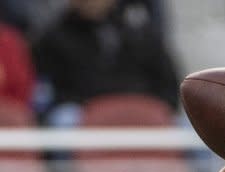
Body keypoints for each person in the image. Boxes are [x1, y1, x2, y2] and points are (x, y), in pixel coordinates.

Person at [31, 0, 179, 126]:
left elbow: (169, 87)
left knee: (189, 126)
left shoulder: (141, 32)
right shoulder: (51, 38)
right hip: (84, 110)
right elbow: (50, 93)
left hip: (141, 105)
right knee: (64, 120)